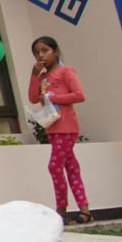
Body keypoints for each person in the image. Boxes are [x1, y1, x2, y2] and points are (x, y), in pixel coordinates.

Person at [29, 36, 91, 224]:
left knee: (54, 166)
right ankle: (85, 210)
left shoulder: (65, 71)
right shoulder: (43, 77)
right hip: (53, 127)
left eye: (45, 50)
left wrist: (53, 98)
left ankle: (61, 210)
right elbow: (33, 98)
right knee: (71, 167)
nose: (41, 55)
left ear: (55, 52)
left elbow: (79, 95)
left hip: (66, 126)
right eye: (37, 52)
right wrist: (34, 75)